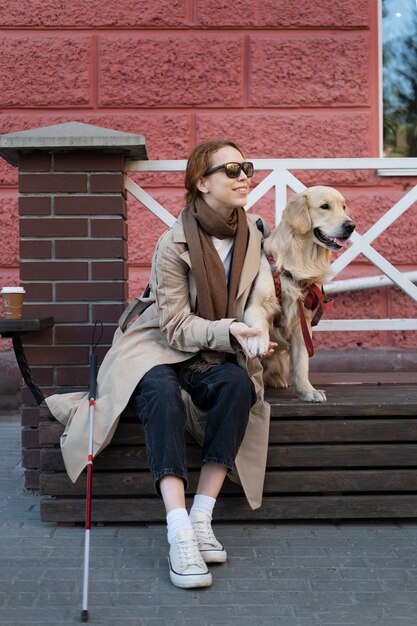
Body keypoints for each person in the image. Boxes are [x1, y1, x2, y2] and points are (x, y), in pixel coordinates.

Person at [45, 140, 274, 590]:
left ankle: (201, 517)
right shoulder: (174, 242)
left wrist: (254, 331)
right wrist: (228, 330)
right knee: (160, 391)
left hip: (216, 350)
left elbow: (258, 301)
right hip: (160, 343)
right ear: (201, 183)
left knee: (237, 387)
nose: (243, 175)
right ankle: (178, 531)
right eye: (229, 170)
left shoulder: (253, 236)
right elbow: (174, 326)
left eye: (245, 166)